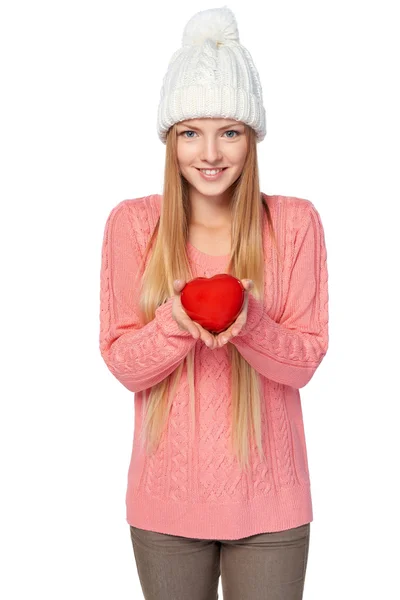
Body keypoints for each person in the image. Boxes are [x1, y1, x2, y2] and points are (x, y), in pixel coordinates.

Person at [99, 6, 329, 600]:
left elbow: (303, 362)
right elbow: (124, 365)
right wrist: (179, 319)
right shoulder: (133, 226)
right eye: (190, 132)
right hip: (166, 506)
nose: (210, 153)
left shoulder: (295, 223)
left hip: (271, 504)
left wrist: (247, 320)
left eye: (229, 131)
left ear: (252, 138)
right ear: (170, 140)